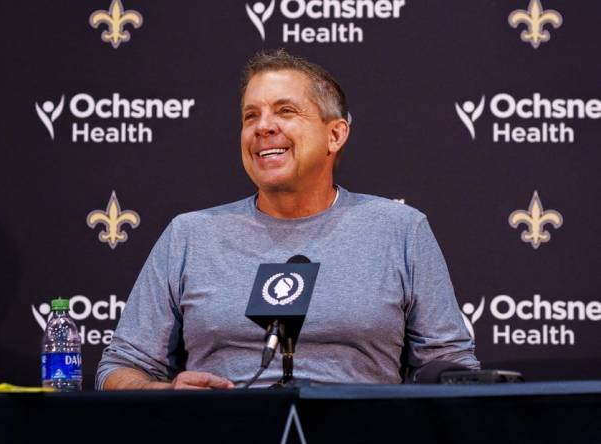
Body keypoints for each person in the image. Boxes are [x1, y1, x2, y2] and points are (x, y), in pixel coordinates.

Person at [96, 49, 479, 390]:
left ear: (335, 134)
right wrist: (166, 394)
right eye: (251, 116)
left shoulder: (401, 230)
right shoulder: (190, 235)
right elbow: (121, 368)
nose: (263, 127)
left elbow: (451, 368)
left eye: (285, 111)